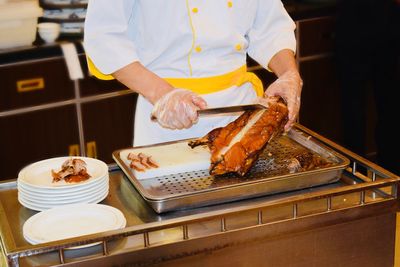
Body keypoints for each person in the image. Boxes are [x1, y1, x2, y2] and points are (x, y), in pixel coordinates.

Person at [84, 0, 303, 147]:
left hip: (241, 112)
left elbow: (270, 25)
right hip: (166, 119)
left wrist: (288, 74)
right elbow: (103, 38)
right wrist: (164, 95)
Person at [335, 0, 400, 175]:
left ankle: (388, 174)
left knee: (388, 108)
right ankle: (359, 173)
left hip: (384, 30)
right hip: (358, 27)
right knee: (357, 111)